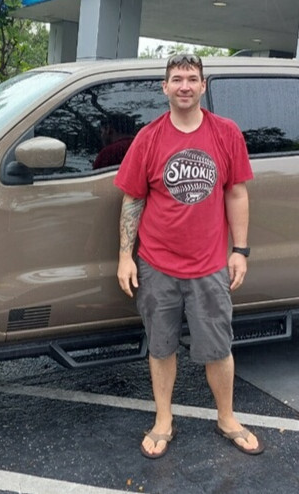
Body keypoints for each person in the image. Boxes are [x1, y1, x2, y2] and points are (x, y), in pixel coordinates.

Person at [114, 54, 263, 459]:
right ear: (165, 87)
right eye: (176, 78)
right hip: (157, 264)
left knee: (218, 347)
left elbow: (236, 192)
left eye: (192, 79)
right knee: (160, 346)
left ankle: (227, 417)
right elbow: (133, 199)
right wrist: (126, 256)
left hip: (210, 264)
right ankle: (163, 420)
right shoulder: (148, 137)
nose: (184, 85)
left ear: (203, 86)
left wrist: (240, 250)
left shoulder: (226, 133)